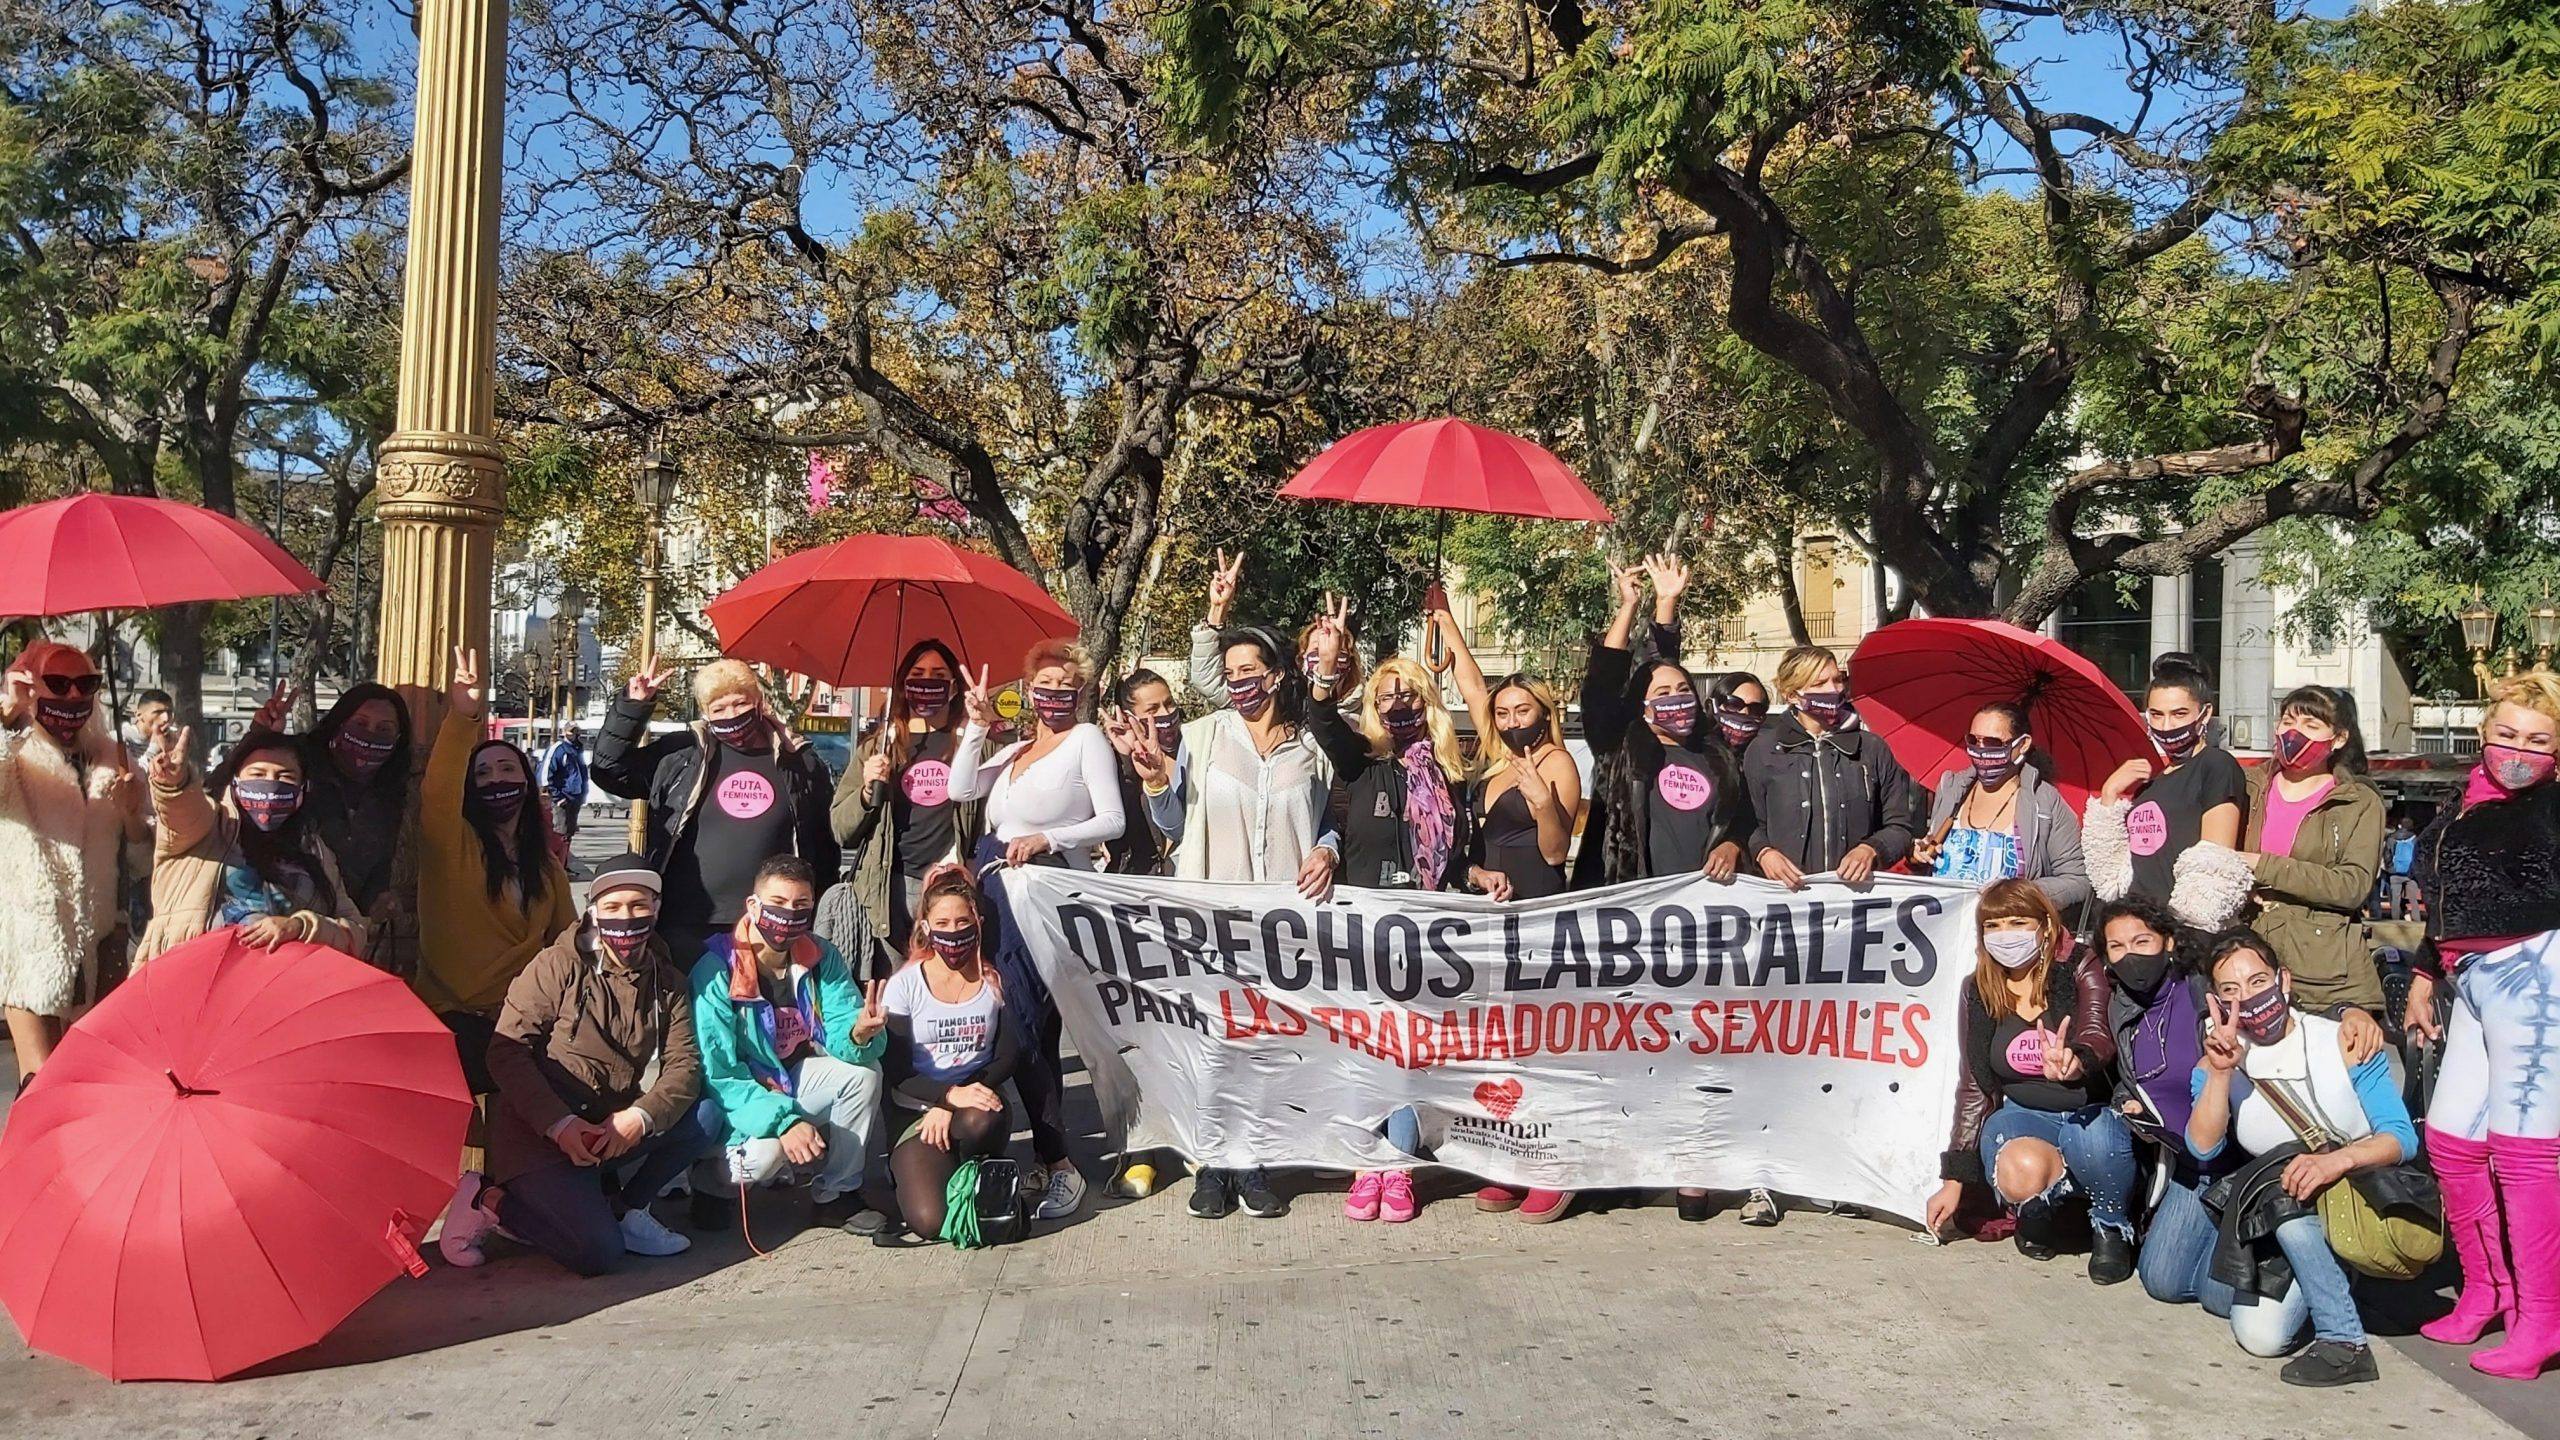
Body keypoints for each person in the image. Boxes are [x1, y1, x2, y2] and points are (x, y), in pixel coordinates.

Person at [1108, 623, 1338, 1219]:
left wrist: (1328, 848)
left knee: (1265, 1044)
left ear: (1277, 675)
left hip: (1282, 924)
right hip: (1209, 920)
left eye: (1250, 673)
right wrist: (1156, 777)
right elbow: (1174, 823)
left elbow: (1334, 818)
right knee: (1210, 1043)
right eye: (1231, 674)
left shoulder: (1312, 747)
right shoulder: (1204, 737)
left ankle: (1254, 1163)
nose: (1240, 684)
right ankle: (1212, 1164)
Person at [1574, 557, 1760, 1223]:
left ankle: (1691, 1168)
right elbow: (1604, 689)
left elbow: (1740, 818)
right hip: (1626, 922)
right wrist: (1648, 611)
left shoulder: (1715, 754)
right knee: (1622, 1047)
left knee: (1691, 1050)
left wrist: (1735, 843)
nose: (1677, 699)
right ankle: (1616, 1166)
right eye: (1664, 692)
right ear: (1643, 706)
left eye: (1686, 690)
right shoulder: (1622, 746)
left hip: (1700, 930)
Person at [447, 854, 714, 1273]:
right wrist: (559, 1124)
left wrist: (639, 1118)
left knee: (707, 1115)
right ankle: (489, 1199)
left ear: (656, 908)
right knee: (596, 1255)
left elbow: (685, 1066)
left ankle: (626, 1209)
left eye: (639, 905)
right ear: (593, 911)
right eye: (612, 907)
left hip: (608, 1129)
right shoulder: (557, 965)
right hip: (539, 1133)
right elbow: (506, 1050)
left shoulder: (669, 981)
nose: (626, 918)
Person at [1304, 602, 1482, 1224]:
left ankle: (1398, 1169)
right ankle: (1366, 1166)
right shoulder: (1363, 763)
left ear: (1426, 699)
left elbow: (1460, 854)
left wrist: (1478, 872)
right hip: (1364, 931)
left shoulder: (1451, 772)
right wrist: (1327, 665)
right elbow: (1320, 718)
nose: (1397, 702)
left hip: (1427, 933)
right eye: (1385, 695)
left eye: (1408, 692)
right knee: (1368, 1052)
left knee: (1409, 1053)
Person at [2404, 671, 2560, 1379]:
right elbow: (2446, 898)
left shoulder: (2552, 806)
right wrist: (2424, 973)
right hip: (2470, 983)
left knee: (2526, 1155)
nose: (2518, 750)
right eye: (2506, 734)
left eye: (2538, 740)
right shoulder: (2464, 801)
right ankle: (2486, 1290)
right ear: (2483, 734)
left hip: (2536, 976)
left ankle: (2541, 1321)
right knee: (2451, 1140)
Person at [2187, 931, 2416, 1386]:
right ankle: (2320, 1278)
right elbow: (2203, 1148)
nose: (2248, 999)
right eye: (2230, 991)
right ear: (2216, 1001)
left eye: (2258, 981)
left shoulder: (2342, 1041)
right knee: (2248, 1327)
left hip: (2354, 1193)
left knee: (2288, 1215)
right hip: (2281, 1205)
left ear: (2283, 980)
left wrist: (2338, 1161)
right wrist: (2218, 1073)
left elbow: (2402, 1138)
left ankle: (2344, 1339)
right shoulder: (2220, 1057)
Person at [949, 640, 1125, 1221]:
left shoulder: (1087, 741)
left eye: (1064, 688)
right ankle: (1048, 1159)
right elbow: (960, 790)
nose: (1053, 697)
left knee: (1027, 1029)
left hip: (1047, 892)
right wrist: (976, 728)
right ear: (1027, 692)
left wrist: (1051, 839)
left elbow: (1114, 819)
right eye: (1043, 687)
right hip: (997, 895)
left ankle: (1059, 1162)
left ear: (1080, 694)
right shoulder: (1017, 749)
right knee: (1017, 1026)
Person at [423, 650, 581, 1261]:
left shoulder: (544, 863)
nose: (496, 782)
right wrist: (466, 713)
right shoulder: (451, 843)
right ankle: (467, 1213)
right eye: (483, 774)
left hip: (522, 1018)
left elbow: (568, 941)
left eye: (507, 772)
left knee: (528, 1122)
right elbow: (438, 789)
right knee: (472, 1131)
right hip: (457, 1011)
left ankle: (505, 1206)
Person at [1926, 879, 2134, 1285]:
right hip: (2023, 1116)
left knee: (2091, 1140)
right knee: (2018, 1170)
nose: (2005, 936)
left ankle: (2110, 1226)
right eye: (1993, 926)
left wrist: (2076, 1060)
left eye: (2018, 922)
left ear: (2045, 926)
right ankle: (2048, 1208)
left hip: (2087, 1111)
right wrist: (1954, 1181)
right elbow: (1974, 1085)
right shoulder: (1978, 989)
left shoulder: (2079, 965)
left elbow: (2097, 1033)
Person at [593, 658, 841, 959]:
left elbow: (823, 841)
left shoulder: (798, 761)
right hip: (684, 921)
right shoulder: (682, 753)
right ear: (705, 713)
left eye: (740, 703)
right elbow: (609, 769)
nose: (732, 715)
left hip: (772, 922)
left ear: (759, 702)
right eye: (719, 709)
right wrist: (633, 707)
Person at [691, 854, 888, 1231]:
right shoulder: (717, 968)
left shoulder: (819, 955)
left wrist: (858, 1033)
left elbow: (843, 1020)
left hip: (787, 1078)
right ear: (753, 905)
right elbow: (718, 1074)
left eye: (800, 906)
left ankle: (836, 1194)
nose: (788, 916)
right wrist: (785, 1122)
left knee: (864, 1073)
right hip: (733, 1101)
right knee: (765, 1157)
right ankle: (709, 1183)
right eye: (778, 904)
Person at [0, 641, 142, 1084]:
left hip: (101, 945)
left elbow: (143, 856)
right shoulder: (16, 752)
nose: (72, 696)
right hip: (30, 941)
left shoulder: (112, 756)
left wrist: (134, 811)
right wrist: (9, 716)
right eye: (57, 684)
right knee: (40, 1082)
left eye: (86, 683)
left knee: (87, 1085)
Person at [2101, 899, 2242, 1314]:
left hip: (2238, 1164)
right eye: (2117, 946)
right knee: (2161, 1282)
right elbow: (2130, 1081)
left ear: (2168, 942)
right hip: (2188, 1166)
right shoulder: (2120, 1007)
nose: (2131, 955)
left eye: (2142, 940)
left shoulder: (2202, 990)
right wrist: (2126, 1102)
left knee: (2222, 1298)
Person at [2227, 686, 2389, 1035]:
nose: (2293, 732)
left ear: (2339, 738)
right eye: (2287, 721)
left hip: (2325, 974)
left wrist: (2263, 865)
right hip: (2248, 959)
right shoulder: (2246, 785)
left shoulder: (2358, 801)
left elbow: (2352, 885)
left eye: (2311, 725)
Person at [135, 724, 370, 962]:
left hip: (283, 988)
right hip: (193, 979)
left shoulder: (313, 850)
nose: (270, 785)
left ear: (302, 788)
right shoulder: (206, 830)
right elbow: (181, 811)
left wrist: (300, 927)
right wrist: (174, 784)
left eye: (285, 777)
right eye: (257, 775)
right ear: (235, 781)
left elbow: (355, 934)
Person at [880, 863, 1022, 1243]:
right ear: (925, 926)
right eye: (943, 922)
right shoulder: (904, 985)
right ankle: (928, 1172)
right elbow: (896, 1067)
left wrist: (956, 1099)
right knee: (929, 1223)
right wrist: (943, 1097)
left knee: (981, 1118)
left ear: (977, 922)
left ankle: (974, 1166)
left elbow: (1008, 1054)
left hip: (974, 1103)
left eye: (963, 922)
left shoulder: (994, 980)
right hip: (915, 1109)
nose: (954, 931)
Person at [830, 640, 985, 965]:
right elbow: (841, 830)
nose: (928, 681)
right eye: (918, 673)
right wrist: (866, 792)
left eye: (938, 674)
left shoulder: (972, 748)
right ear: (903, 685)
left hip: (950, 891)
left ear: (954, 688)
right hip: (889, 891)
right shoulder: (877, 748)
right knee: (895, 998)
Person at [2086, 653, 2249, 926]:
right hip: (2136, 927)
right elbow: (2114, 868)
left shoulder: (2216, 765)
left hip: (2183, 931)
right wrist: (2110, 793)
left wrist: (2180, 927)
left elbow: (2216, 862)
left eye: (2179, 714)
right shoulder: (2149, 782)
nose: (2166, 726)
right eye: (2156, 715)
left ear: (2205, 713)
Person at [1741, 644, 1915, 892]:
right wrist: (1764, 852)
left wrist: (1871, 849)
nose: (1834, 690)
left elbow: (1900, 827)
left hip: (1854, 898)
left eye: (1837, 679)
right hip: (1786, 897)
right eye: (1819, 683)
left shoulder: (1873, 748)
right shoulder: (1763, 750)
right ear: (1791, 694)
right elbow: (1747, 823)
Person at [1910, 702, 2092, 916]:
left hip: (2006, 936)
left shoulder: (2045, 803)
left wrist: (2020, 893)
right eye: (1973, 740)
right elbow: (1929, 860)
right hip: (1945, 934)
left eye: (1992, 742)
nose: (1981, 749)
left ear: (2022, 744)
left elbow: (2076, 880)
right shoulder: (1951, 791)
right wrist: (1917, 855)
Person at [1103, 667, 1183, 877]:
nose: (1166, 714)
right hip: (1138, 885)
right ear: (1131, 718)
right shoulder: (1115, 761)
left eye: (1169, 703)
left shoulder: (1195, 750)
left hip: (1188, 881)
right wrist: (1125, 758)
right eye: (1153, 710)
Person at [542, 723, 589, 847]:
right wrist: (557, 797)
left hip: (575, 796)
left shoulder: (578, 749)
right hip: (563, 796)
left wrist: (583, 794)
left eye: (576, 731)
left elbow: (582, 773)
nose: (573, 734)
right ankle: (557, 864)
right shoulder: (558, 749)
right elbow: (547, 774)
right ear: (564, 732)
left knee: (569, 833)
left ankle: (564, 863)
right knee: (559, 833)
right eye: (571, 731)